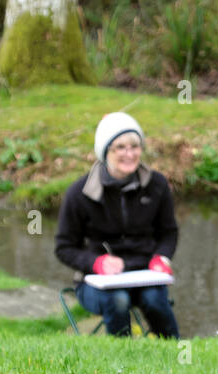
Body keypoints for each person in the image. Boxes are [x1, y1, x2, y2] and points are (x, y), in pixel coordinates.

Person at [54, 111, 180, 338]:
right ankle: (123, 364)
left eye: (135, 146)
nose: (129, 154)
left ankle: (176, 358)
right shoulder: (79, 193)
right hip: (95, 283)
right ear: (105, 151)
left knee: (155, 300)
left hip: (145, 275)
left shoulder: (157, 185)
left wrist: (162, 257)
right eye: (120, 147)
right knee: (118, 299)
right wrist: (96, 262)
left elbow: (169, 233)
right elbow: (64, 247)